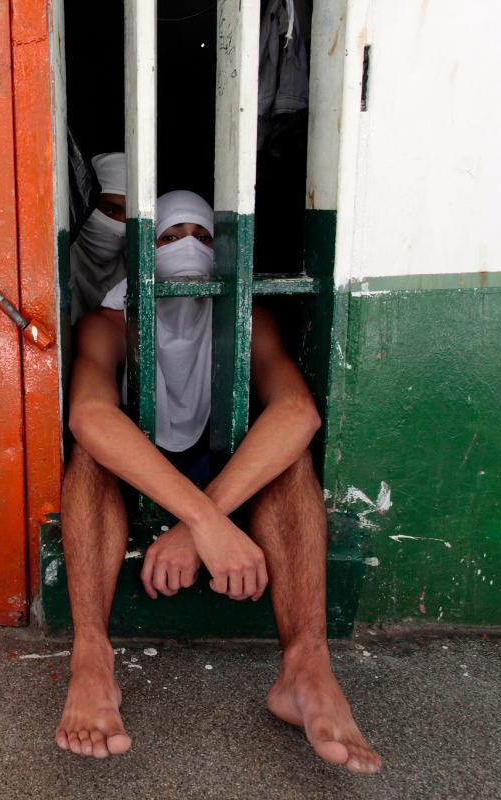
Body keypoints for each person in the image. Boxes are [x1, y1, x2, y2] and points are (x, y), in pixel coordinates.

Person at [55, 191, 382, 773]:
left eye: (203, 238)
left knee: (292, 468)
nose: (188, 249)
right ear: (143, 254)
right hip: (141, 469)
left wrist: (197, 521)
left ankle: (307, 669)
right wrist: (206, 523)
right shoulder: (111, 321)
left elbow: (297, 415)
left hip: (218, 465)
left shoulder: (248, 319)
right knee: (89, 459)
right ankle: (91, 661)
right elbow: (90, 416)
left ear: (225, 254)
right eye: (169, 237)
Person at [69, 152, 128, 323]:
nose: (121, 227)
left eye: (130, 214)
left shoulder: (137, 261)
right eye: (109, 211)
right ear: (86, 207)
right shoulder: (59, 262)